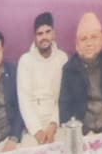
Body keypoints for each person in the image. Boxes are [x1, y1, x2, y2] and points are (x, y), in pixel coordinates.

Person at [65, 11, 102, 135]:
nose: (89, 43)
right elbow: (65, 111)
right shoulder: (69, 69)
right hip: (83, 133)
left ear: (101, 39)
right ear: (77, 44)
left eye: (94, 37)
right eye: (84, 39)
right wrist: (84, 132)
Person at [15, 11, 71, 142]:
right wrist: (38, 132)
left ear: (54, 33)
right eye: (40, 34)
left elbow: (62, 98)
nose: (44, 37)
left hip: (57, 123)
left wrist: (53, 125)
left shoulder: (62, 58)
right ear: (34, 37)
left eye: (48, 32)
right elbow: (25, 101)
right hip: (32, 128)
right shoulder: (25, 61)